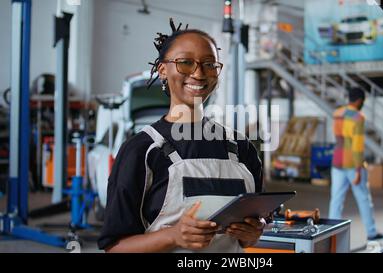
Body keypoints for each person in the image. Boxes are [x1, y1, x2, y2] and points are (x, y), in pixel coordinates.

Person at [97, 19, 265, 253]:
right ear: (162, 70)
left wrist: (253, 233)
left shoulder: (241, 148)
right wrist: (173, 236)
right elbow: (114, 247)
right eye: (185, 63)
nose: (198, 73)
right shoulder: (142, 150)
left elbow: (249, 232)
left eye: (209, 64)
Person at [328, 87, 383, 241]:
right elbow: (357, 145)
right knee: (363, 198)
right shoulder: (358, 117)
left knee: (336, 199)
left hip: (337, 160)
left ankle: (330, 235)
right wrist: (358, 169)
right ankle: (371, 232)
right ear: (360, 101)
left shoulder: (337, 113)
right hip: (351, 162)